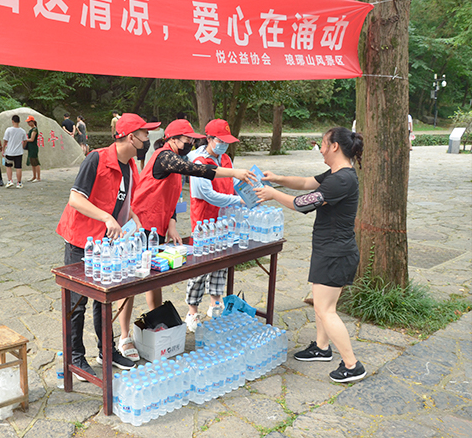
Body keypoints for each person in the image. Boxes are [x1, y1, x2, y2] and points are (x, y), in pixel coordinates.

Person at [254, 127, 366, 383]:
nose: (321, 149)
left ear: (335, 146)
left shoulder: (342, 180)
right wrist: (277, 178)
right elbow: (307, 183)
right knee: (321, 304)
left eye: (324, 144)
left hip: (336, 253)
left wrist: (272, 194)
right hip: (329, 249)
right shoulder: (336, 174)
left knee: (326, 310)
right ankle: (322, 348)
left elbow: (301, 203)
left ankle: (352, 364)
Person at [56, 113, 161, 377]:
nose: (148, 139)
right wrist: (106, 217)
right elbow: (75, 199)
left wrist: (133, 218)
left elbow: (122, 201)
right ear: (131, 137)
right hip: (82, 240)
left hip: (108, 242)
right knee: (77, 301)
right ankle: (75, 358)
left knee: (104, 298)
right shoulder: (97, 158)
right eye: (145, 134)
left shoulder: (130, 166)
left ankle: (107, 350)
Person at [132, 119, 255, 311]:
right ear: (172, 139)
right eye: (187, 140)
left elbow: (173, 197)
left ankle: (156, 316)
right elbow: (196, 170)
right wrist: (233, 172)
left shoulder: (176, 160)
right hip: (141, 224)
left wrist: (172, 224)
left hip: (158, 225)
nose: (190, 144)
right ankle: (135, 324)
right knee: (134, 280)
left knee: (155, 276)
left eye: (192, 140)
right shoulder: (164, 156)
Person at [184, 119, 244, 332]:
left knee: (221, 263)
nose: (224, 145)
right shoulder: (199, 162)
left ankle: (216, 304)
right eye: (220, 141)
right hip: (204, 220)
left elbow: (233, 184)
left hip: (224, 220)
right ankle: (192, 311)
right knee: (200, 267)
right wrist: (238, 200)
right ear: (208, 138)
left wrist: (248, 191)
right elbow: (207, 194)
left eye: (227, 141)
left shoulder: (226, 159)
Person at [2, 115, 28, 188]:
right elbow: (25, 141)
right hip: (19, 152)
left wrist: (3, 149)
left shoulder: (8, 130)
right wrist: (22, 147)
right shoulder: (22, 131)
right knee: (18, 167)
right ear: (19, 121)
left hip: (9, 152)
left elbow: (5, 141)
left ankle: (10, 181)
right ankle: (19, 183)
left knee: (8, 166)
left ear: (12, 121)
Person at [25, 115, 41, 182]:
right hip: (30, 147)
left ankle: (38, 177)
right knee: (32, 162)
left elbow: (32, 139)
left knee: (35, 162)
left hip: (33, 147)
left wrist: (25, 139)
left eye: (29, 122)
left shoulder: (34, 129)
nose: (28, 123)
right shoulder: (31, 129)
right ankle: (34, 176)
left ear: (32, 121)